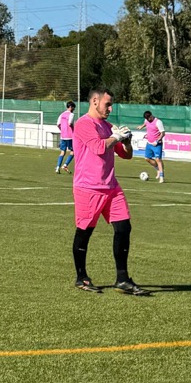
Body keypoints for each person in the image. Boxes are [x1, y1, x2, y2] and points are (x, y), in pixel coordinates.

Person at [70, 90, 148, 295]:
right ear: (95, 101)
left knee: (124, 228)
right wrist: (115, 137)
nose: (111, 109)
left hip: (111, 187)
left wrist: (126, 141)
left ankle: (122, 279)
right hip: (88, 187)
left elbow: (126, 155)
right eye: (108, 104)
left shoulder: (107, 126)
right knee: (85, 232)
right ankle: (81, 277)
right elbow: (98, 147)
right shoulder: (84, 124)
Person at [141, 109, 166, 185]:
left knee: (158, 159)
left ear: (151, 115)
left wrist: (157, 141)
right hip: (149, 143)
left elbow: (163, 133)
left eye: (149, 118)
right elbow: (145, 124)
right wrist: (141, 126)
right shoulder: (146, 120)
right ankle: (158, 169)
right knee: (147, 158)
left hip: (157, 144)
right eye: (147, 119)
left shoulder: (158, 122)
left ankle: (161, 177)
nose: (148, 120)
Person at [55, 100, 75, 174]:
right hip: (70, 136)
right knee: (73, 151)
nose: (74, 109)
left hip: (63, 136)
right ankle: (65, 165)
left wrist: (62, 130)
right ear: (70, 107)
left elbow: (58, 124)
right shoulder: (71, 114)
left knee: (62, 152)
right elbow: (70, 123)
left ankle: (57, 167)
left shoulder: (62, 114)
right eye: (73, 108)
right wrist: (73, 129)